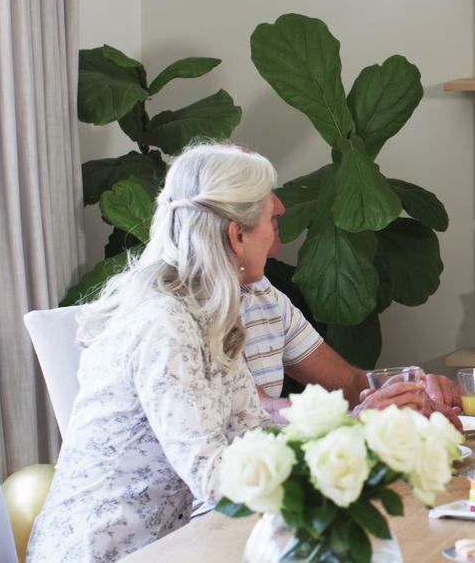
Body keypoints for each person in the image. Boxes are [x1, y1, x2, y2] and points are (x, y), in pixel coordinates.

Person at [26, 144, 431, 562]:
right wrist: (348, 435)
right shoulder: (164, 322)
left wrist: (353, 427)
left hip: (172, 545)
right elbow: (214, 478)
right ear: (237, 235)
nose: (277, 235)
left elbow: (252, 435)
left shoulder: (213, 310)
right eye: (270, 222)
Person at [242, 194, 463, 428]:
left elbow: (348, 382)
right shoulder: (202, 306)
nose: (280, 207)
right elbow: (254, 410)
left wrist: (413, 391)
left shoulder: (264, 293)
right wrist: (351, 420)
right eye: (261, 194)